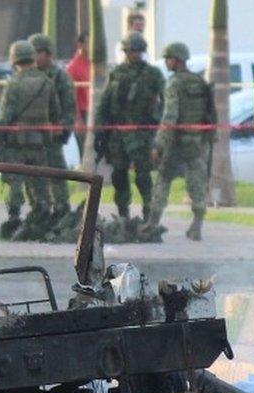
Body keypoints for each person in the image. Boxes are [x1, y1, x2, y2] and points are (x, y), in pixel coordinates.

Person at [142, 42, 214, 242]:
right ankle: (197, 225)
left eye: (169, 58)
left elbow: (169, 116)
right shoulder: (199, 81)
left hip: (178, 142)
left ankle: (153, 222)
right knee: (197, 183)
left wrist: (158, 145)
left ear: (178, 59)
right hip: (198, 141)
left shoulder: (174, 83)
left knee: (163, 179)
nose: (166, 62)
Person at [94, 32, 164, 221]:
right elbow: (105, 103)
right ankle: (123, 213)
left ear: (142, 52)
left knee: (143, 176)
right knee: (119, 175)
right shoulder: (116, 73)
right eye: (129, 51)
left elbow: (165, 101)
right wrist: (99, 130)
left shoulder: (152, 74)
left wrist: (157, 125)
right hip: (118, 134)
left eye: (136, 51)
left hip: (141, 133)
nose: (132, 54)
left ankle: (148, 212)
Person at [0, 40, 59, 241]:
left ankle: (14, 219)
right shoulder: (46, 82)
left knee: (14, 183)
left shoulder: (14, 83)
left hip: (15, 144)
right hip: (39, 143)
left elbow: (5, 116)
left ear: (14, 59)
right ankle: (41, 217)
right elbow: (55, 112)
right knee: (39, 183)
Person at [28, 33, 75, 221]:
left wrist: (62, 128)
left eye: (38, 53)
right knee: (32, 174)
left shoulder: (60, 76)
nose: (34, 57)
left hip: (52, 135)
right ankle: (39, 208)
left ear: (47, 54)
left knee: (56, 173)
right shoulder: (27, 75)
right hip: (31, 136)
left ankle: (62, 208)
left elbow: (69, 107)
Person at [65, 32, 90, 156]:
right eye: (88, 43)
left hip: (94, 112)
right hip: (83, 113)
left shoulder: (94, 64)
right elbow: (71, 96)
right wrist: (78, 120)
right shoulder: (73, 67)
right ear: (80, 45)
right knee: (85, 151)